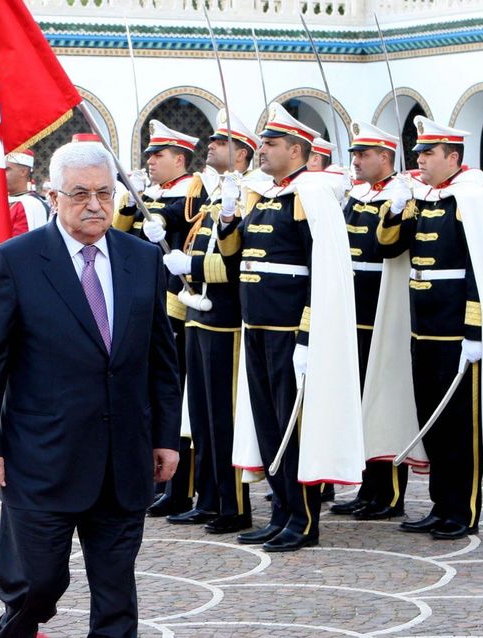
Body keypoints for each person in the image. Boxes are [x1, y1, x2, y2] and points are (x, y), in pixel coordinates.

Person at [0, 141, 182, 637]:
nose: (94, 205)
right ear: (53, 195)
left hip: (123, 461)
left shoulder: (142, 259)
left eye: (105, 194)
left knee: (116, 598)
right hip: (44, 461)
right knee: (35, 586)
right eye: (80, 193)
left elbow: (162, 362)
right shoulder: (14, 261)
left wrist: (167, 436)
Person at [374, 116, 483, 539]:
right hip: (422, 329)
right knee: (432, 421)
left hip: (455, 332)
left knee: (460, 428)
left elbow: (477, 272)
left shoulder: (469, 198)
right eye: (419, 154)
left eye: (428, 154)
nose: (421, 161)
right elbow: (389, 247)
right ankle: (439, 504)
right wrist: (394, 210)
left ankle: (462, 510)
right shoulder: (425, 196)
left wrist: (474, 333)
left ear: (453, 156)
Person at [217, 102, 362, 552]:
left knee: (292, 426)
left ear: (297, 150)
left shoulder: (309, 195)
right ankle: (280, 510)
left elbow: (320, 273)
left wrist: (306, 334)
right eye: (262, 142)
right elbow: (235, 256)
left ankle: (303, 518)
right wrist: (226, 220)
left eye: (271, 143)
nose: (261, 149)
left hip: (288, 330)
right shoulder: (265, 195)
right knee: (268, 425)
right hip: (257, 325)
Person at [160, 110, 259, 531]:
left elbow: (237, 263)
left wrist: (194, 267)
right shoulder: (218, 195)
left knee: (224, 416)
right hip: (200, 315)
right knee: (198, 414)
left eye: (221, 142)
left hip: (226, 318)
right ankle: (209, 496)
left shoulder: (250, 194)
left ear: (242, 154)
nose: (212, 146)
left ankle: (234, 505)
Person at [114, 119, 207, 517]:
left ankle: (179, 487)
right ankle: (157, 482)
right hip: (143, 299)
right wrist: (127, 203)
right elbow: (120, 235)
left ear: (180, 158)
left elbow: (189, 234)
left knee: (173, 393)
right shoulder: (148, 193)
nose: (151, 161)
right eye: (150, 155)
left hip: (174, 301)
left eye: (159, 155)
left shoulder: (193, 193)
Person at [328, 121, 411, 520]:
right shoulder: (356, 195)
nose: (357, 161)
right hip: (353, 311)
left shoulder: (400, 194)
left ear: (386, 157)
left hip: (381, 311)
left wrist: (396, 209)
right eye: (355, 154)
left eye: (363, 154)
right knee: (359, 401)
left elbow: (386, 246)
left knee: (383, 400)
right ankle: (367, 488)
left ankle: (390, 493)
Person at [5, 149, 49, 233]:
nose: (1, 174)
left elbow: (18, 243)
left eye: (6, 169)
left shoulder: (30, 205)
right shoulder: (1, 201)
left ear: (23, 172)